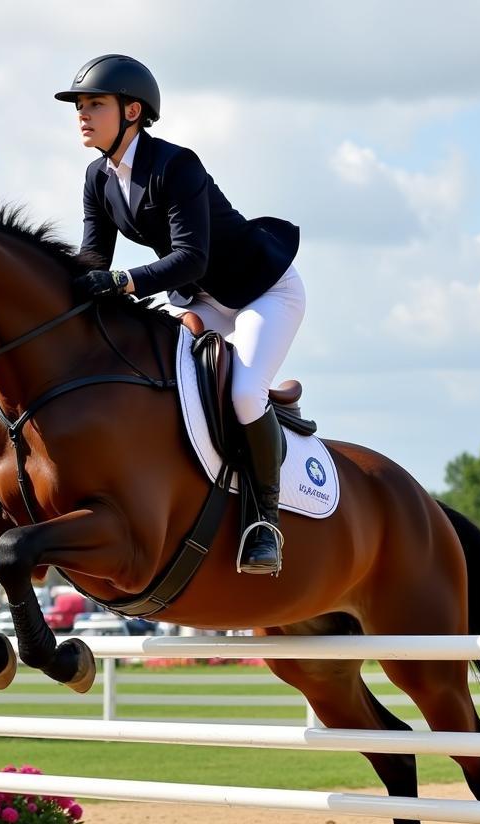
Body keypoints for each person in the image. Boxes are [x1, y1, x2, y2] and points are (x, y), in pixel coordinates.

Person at [55, 54, 305, 576]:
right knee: (161, 385)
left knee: (242, 392)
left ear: (132, 111)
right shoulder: (97, 177)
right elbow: (93, 259)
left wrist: (123, 282)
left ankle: (266, 523)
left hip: (262, 293)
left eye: (94, 104)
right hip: (197, 302)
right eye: (80, 106)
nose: (82, 114)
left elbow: (193, 257)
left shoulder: (175, 165)